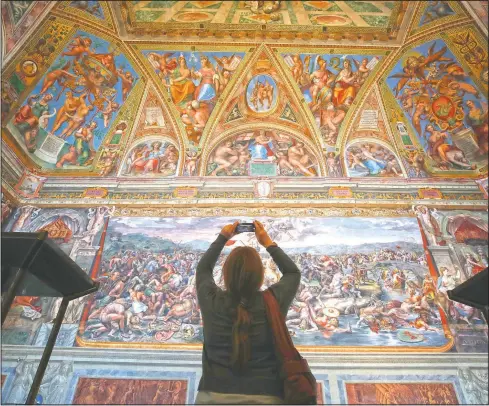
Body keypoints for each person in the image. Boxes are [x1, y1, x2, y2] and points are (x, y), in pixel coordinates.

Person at [195, 220, 301, 404]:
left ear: (226, 274)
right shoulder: (272, 301)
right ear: (260, 275)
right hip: (266, 397)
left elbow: (203, 269)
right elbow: (292, 273)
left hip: (213, 396)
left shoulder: (212, 300)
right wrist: (267, 242)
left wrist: (222, 238)